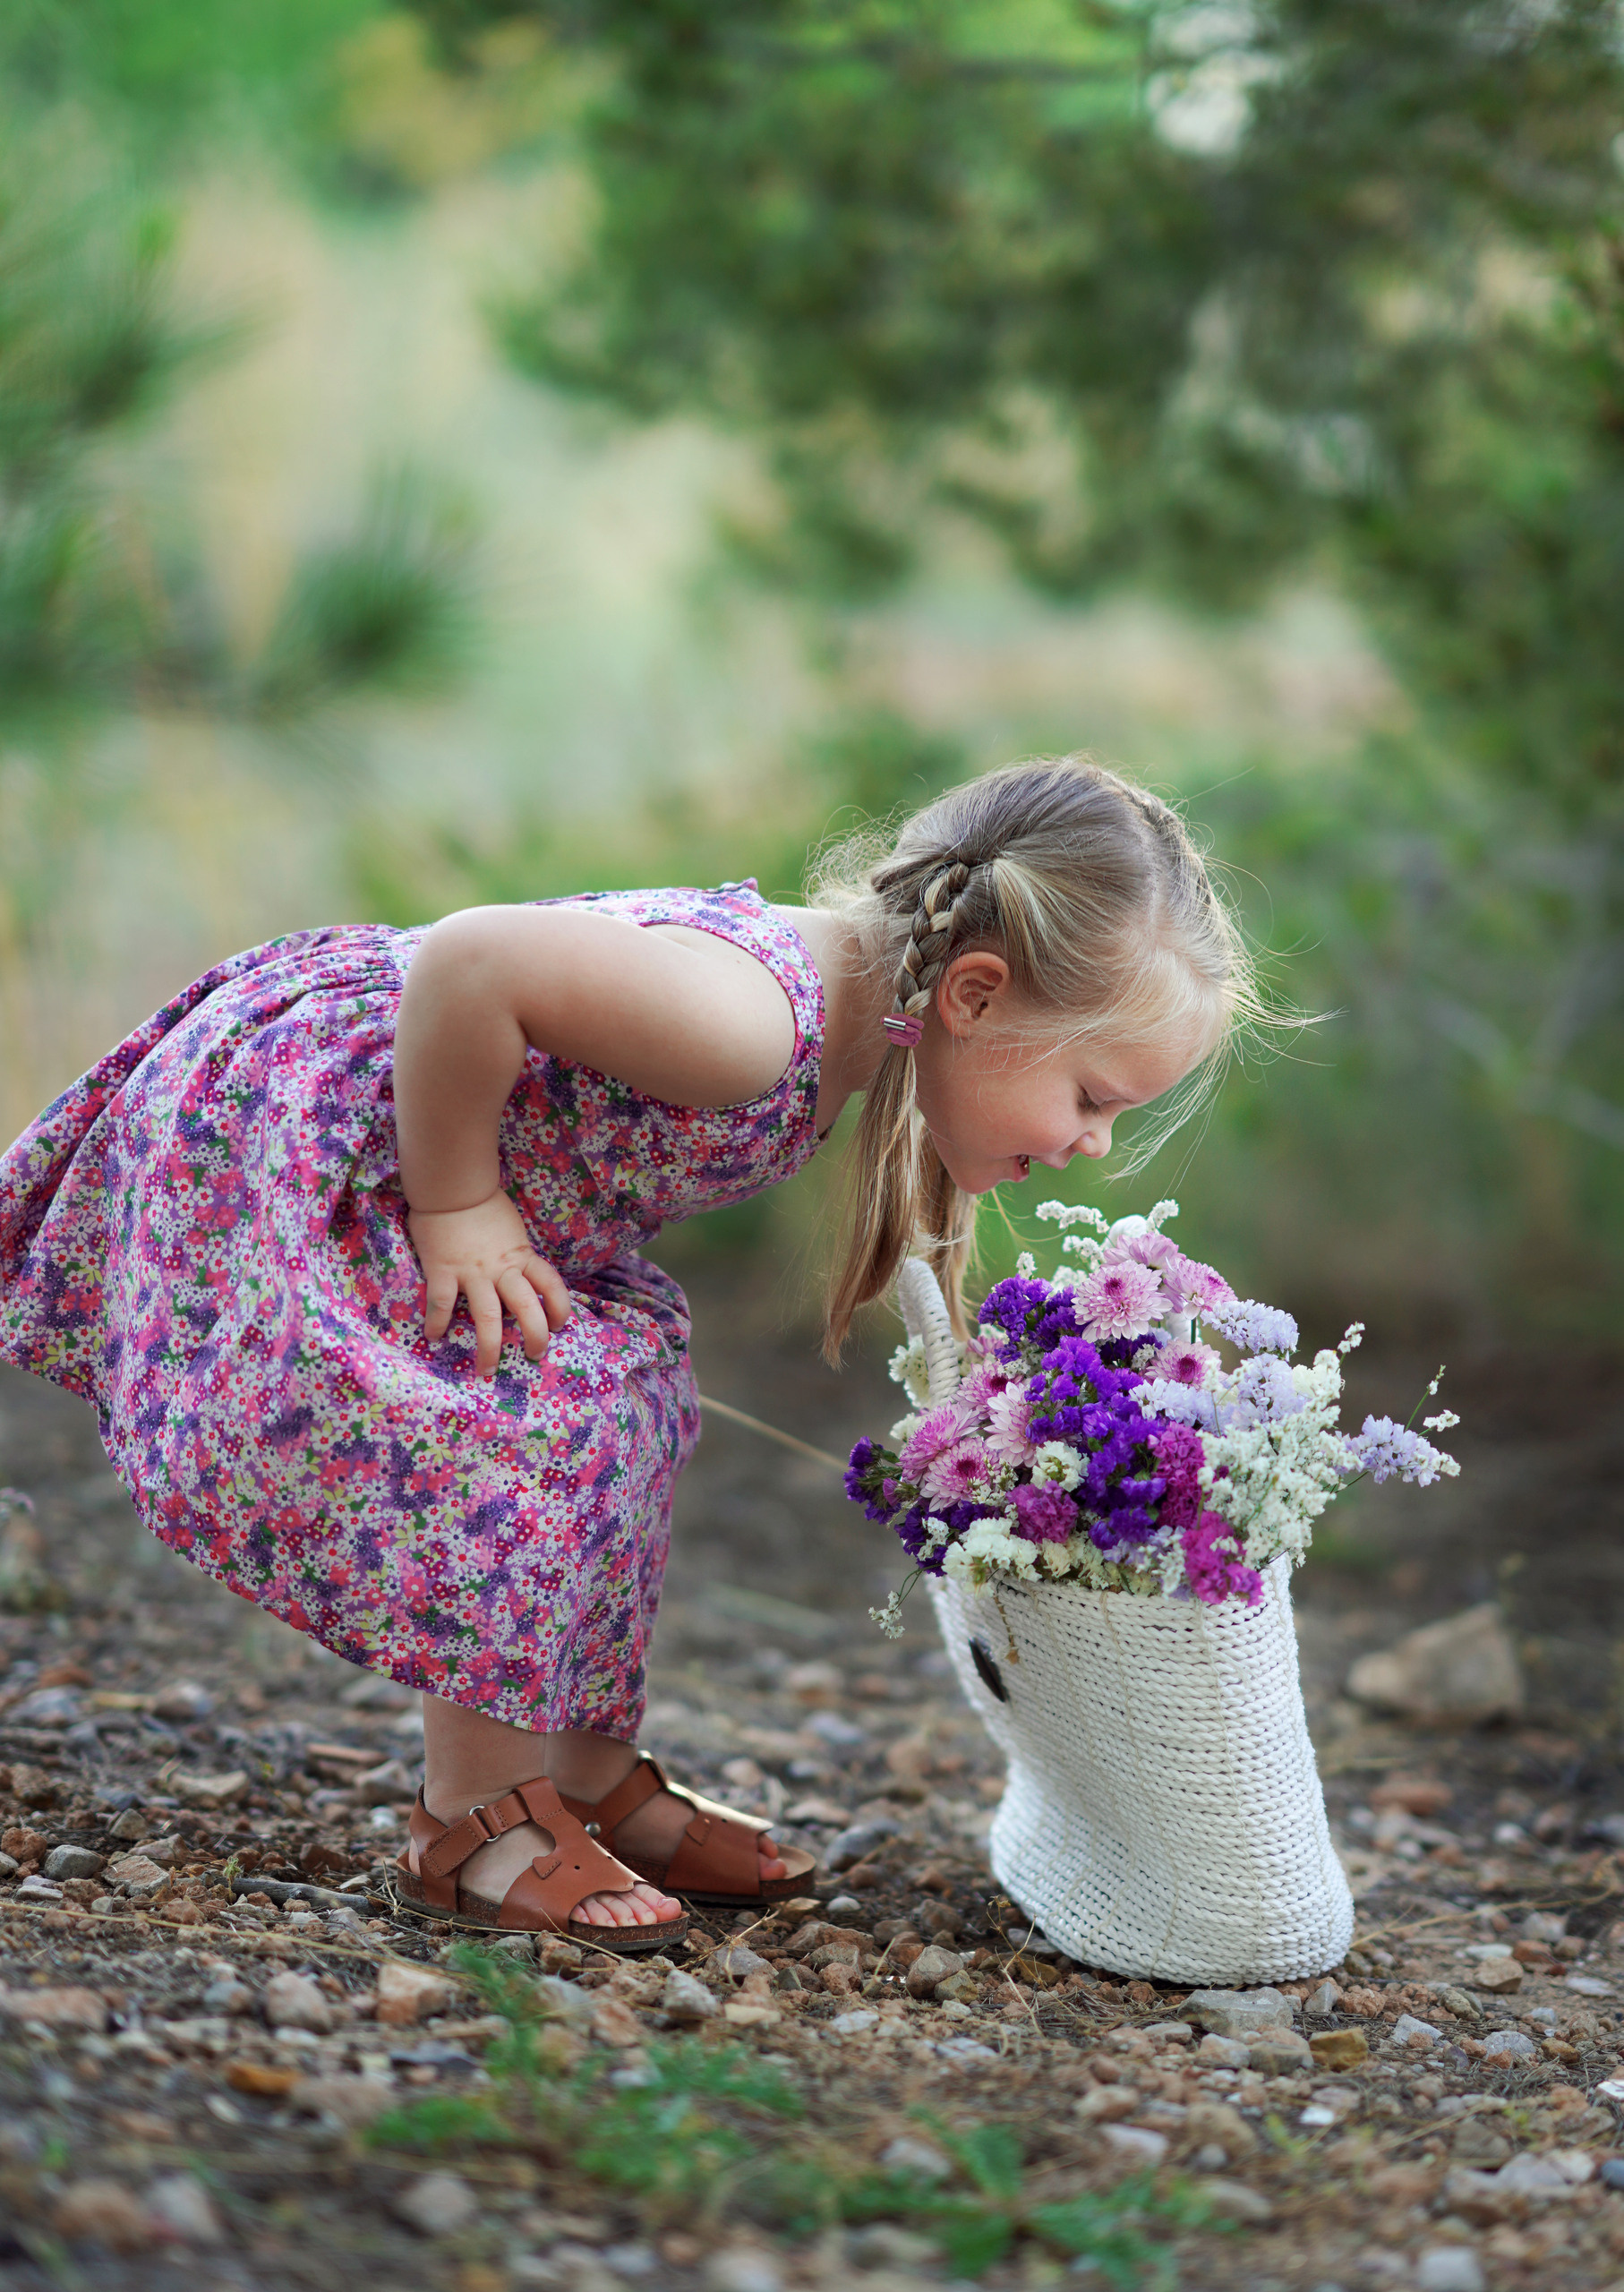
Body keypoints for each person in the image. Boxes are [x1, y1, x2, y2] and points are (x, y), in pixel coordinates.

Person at [0, 757, 1254, 1949]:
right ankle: (470, 1819)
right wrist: (457, 1207)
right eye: (1093, 1097)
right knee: (523, 1416)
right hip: (345, 1132)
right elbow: (473, 960)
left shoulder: (869, 1030)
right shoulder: (750, 1026)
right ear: (974, 995)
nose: (1093, 1141)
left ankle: (581, 1774)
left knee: (632, 1399)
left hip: (453, 1152)